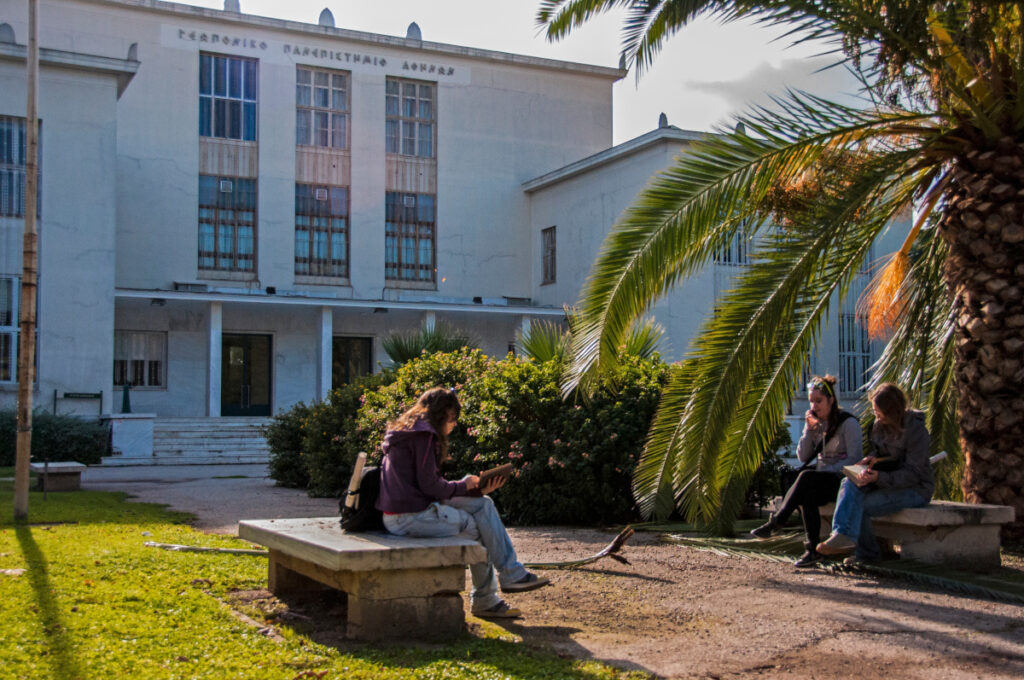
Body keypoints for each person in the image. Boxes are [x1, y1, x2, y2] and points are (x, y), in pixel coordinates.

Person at [376, 387, 550, 619]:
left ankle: (510, 575)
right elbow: (431, 487)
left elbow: (427, 487)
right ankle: (487, 598)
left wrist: (475, 490)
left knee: (483, 504)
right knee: (477, 528)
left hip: (404, 512)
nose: (454, 424)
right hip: (409, 518)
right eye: (453, 418)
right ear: (443, 414)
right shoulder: (424, 435)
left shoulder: (408, 431)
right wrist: (465, 485)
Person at [750, 375, 861, 567]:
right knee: (807, 495)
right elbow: (802, 456)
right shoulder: (815, 425)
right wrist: (809, 431)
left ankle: (777, 521)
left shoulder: (848, 423)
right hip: (820, 481)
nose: (814, 406)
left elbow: (854, 459)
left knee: (807, 476)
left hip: (842, 481)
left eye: (819, 401)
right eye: (812, 401)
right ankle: (812, 551)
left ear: (831, 401)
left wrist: (827, 470)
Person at [817, 383, 933, 564]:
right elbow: (878, 453)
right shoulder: (879, 425)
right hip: (884, 481)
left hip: (915, 489)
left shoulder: (916, 431)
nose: (876, 415)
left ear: (892, 411)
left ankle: (867, 554)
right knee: (849, 483)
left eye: (879, 412)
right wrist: (868, 461)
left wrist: (880, 477)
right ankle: (841, 534)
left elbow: (913, 473)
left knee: (860, 504)